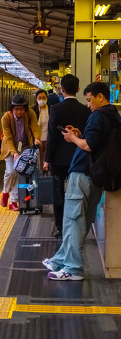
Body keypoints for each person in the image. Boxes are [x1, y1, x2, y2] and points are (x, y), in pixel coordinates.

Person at [43, 82, 121, 280]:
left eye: (89, 100)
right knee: (80, 221)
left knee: (72, 221)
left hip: (83, 175)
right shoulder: (114, 116)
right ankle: (60, 260)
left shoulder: (98, 116)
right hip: (96, 176)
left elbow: (89, 146)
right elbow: (98, 141)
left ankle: (73, 268)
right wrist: (79, 135)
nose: (88, 105)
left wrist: (73, 139)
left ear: (100, 97)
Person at [43, 74, 91, 238]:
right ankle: (76, 227)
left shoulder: (56, 109)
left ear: (62, 90)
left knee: (58, 193)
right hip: (79, 159)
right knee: (77, 194)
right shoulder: (85, 110)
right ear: (78, 89)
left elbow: (52, 136)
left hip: (58, 160)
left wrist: (47, 159)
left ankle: (61, 227)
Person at [0, 94, 42, 211]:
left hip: (25, 147)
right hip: (10, 148)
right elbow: (7, 137)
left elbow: (35, 127)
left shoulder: (30, 113)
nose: (19, 111)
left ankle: (13, 201)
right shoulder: (6, 118)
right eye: (16, 109)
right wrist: (14, 153)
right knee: (11, 172)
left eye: (21, 109)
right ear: (12, 108)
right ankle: (5, 192)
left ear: (25, 108)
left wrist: (37, 138)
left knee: (19, 173)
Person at [32, 89, 50, 170]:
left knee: (47, 160)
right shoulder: (33, 111)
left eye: (44, 97)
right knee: (38, 161)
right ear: (36, 99)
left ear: (47, 98)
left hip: (48, 139)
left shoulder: (51, 109)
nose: (42, 100)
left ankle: (46, 176)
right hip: (37, 140)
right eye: (39, 98)